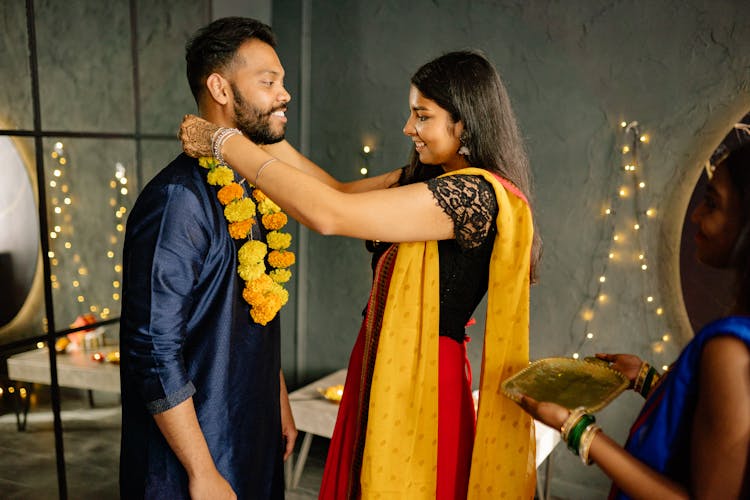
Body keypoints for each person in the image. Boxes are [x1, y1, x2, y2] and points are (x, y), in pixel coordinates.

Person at [180, 49, 542, 499]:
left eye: (422, 116)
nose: (409, 129)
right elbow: (334, 190)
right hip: (380, 356)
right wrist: (259, 126)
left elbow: (329, 214)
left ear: (464, 124)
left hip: (422, 380)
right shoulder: (426, 178)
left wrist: (223, 143)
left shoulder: (471, 195)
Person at [120, 17, 300, 499]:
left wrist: (276, 396)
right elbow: (153, 351)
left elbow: (250, 311)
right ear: (220, 87)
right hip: (193, 462)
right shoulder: (178, 200)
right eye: (269, 82)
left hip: (250, 432)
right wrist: (201, 470)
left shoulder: (253, 186)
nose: (284, 95)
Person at [516, 138, 750, 499]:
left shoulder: (730, 348)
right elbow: (709, 428)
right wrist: (644, 378)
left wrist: (575, 429)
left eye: (712, 203)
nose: (696, 216)